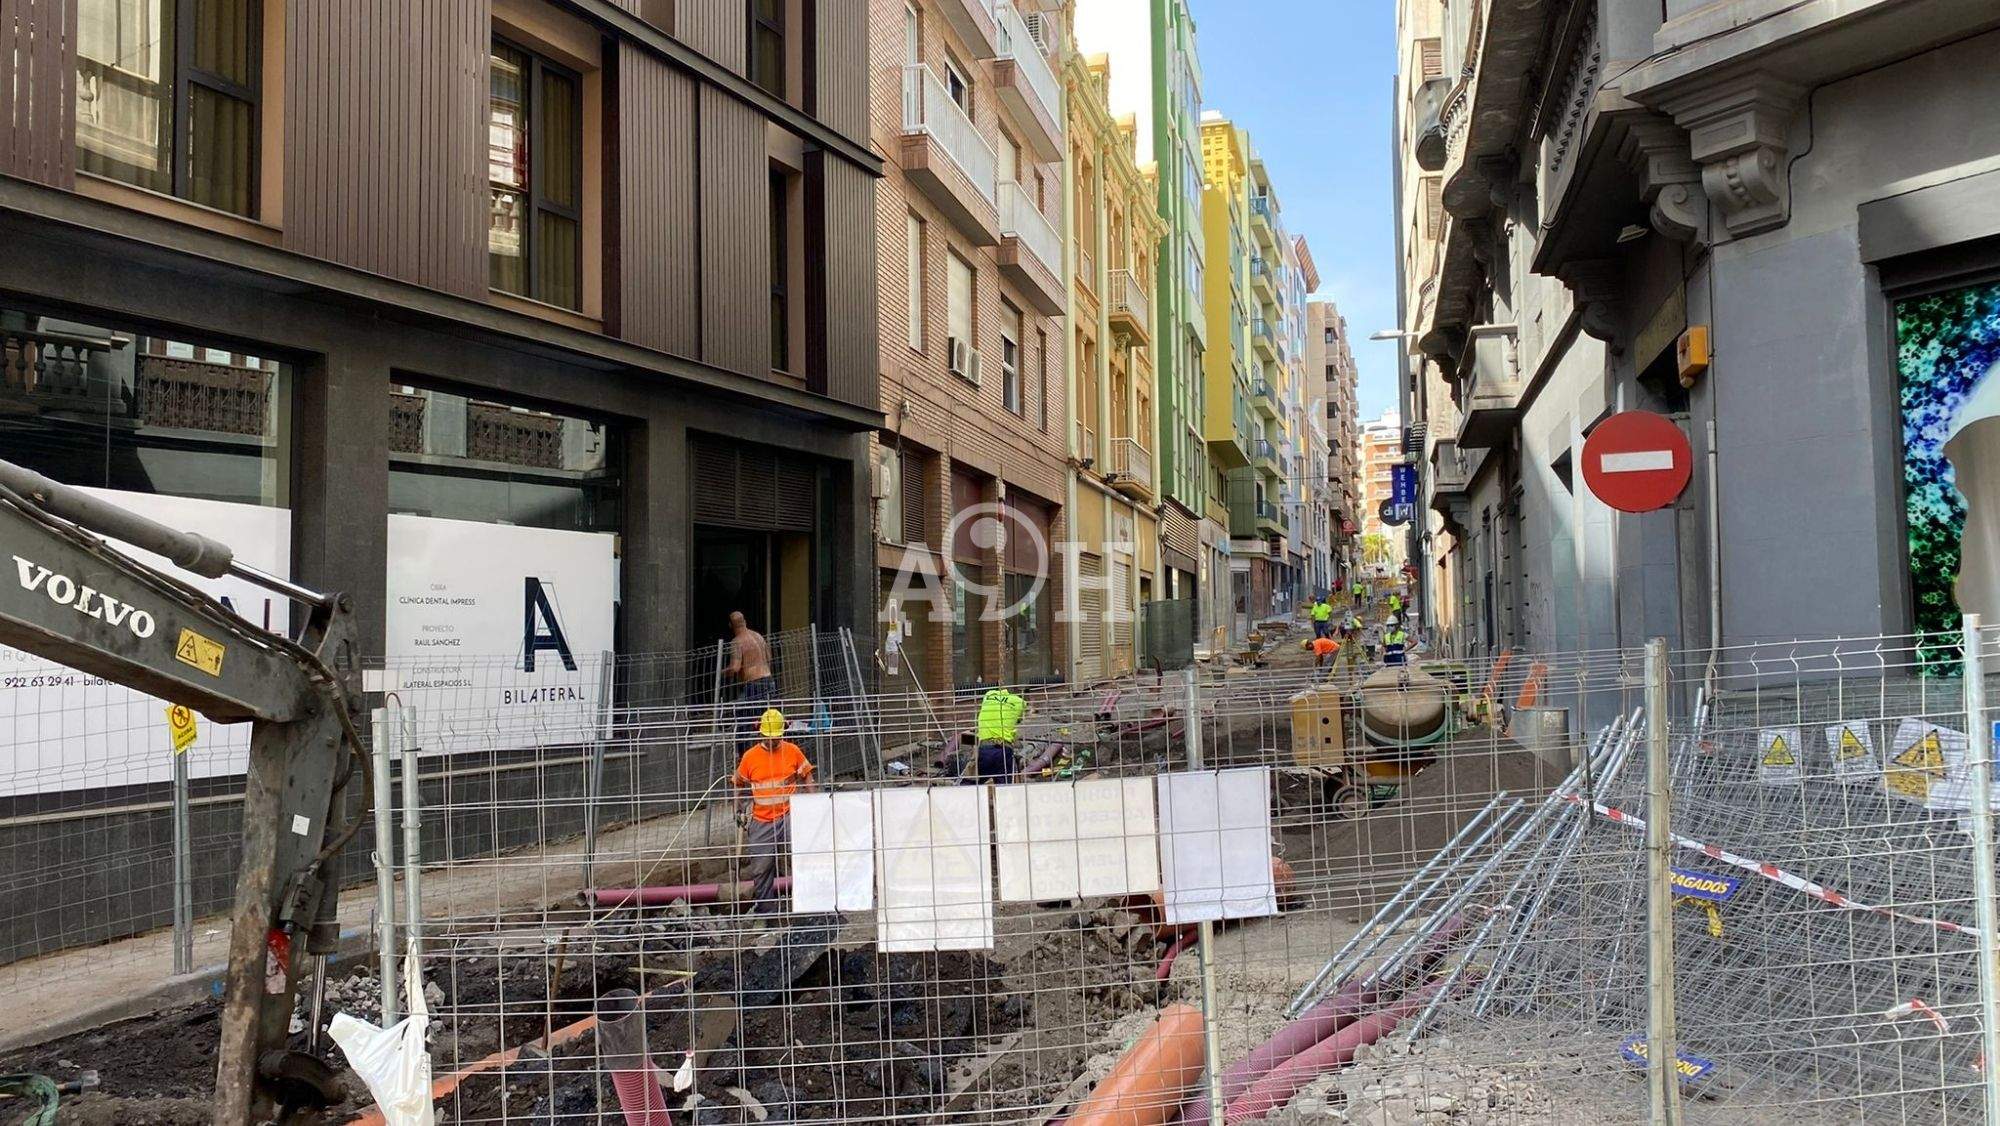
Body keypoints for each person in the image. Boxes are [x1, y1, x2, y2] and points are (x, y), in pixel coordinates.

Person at [732, 708, 815, 913]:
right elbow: (739, 783)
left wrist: (815, 803)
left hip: (789, 815)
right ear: (760, 733)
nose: (773, 742)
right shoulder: (750, 757)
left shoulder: (792, 751)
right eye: (769, 738)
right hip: (762, 820)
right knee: (761, 867)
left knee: (803, 857)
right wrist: (738, 809)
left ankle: (809, 905)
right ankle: (766, 911)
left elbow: (807, 775)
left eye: (776, 738)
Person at [725, 611, 775, 751]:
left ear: (731, 625)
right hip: (769, 681)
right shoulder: (758, 636)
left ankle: (744, 757)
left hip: (754, 684)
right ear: (745, 621)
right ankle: (767, 753)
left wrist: (723, 672)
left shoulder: (737, 642)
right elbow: (769, 658)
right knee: (767, 721)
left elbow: (735, 668)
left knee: (743, 721)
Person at [971, 685, 1027, 782]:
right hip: (1003, 750)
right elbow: (1017, 721)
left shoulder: (988, 695)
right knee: (1003, 786)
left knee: (978, 784)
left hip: (984, 749)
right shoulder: (1020, 702)